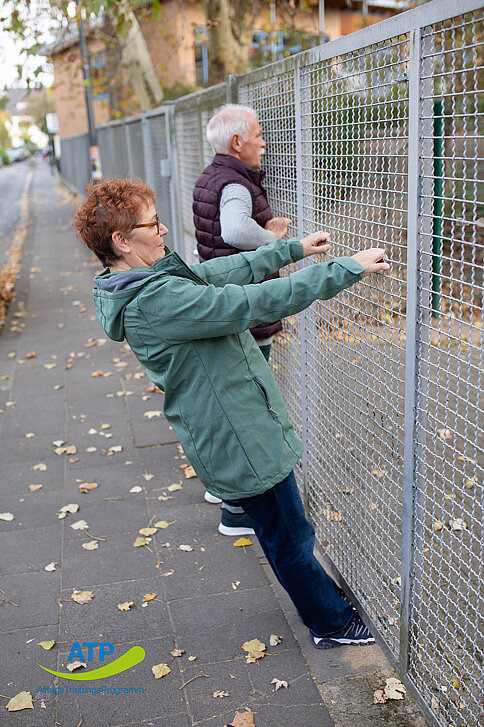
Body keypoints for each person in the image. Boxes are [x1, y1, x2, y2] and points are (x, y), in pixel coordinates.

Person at [73, 177, 389, 649]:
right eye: (151, 224)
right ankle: (331, 623)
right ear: (122, 240)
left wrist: (291, 249)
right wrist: (343, 269)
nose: (161, 231)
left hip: (235, 425)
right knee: (289, 535)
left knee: (281, 527)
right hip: (237, 434)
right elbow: (250, 301)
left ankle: (320, 599)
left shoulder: (146, 279)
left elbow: (221, 271)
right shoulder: (155, 299)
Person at [193, 104, 291, 534]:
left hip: (224, 304)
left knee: (229, 401)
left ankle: (222, 489)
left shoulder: (210, 177)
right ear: (237, 142)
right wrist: (272, 238)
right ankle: (236, 510)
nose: (264, 142)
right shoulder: (235, 184)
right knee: (249, 407)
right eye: (258, 134)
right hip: (246, 309)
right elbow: (233, 231)